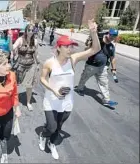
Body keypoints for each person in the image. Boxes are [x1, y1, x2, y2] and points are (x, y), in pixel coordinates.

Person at [39, 19, 101, 160]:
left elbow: (95, 49)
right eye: (67, 47)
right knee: (51, 127)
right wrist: (54, 90)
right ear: (59, 47)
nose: (70, 49)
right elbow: (42, 79)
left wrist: (93, 33)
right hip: (51, 99)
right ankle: (44, 135)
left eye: (71, 47)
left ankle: (52, 143)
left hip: (67, 101)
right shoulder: (50, 62)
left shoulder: (73, 59)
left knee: (59, 126)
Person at [75, 28, 119, 108]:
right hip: (91, 65)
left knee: (104, 83)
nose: (113, 37)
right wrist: (89, 43)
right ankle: (79, 88)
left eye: (114, 36)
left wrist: (114, 69)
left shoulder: (111, 46)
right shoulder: (98, 40)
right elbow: (87, 48)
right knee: (84, 78)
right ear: (108, 34)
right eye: (112, 35)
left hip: (102, 68)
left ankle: (106, 100)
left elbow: (113, 58)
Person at [12, 24, 39, 111]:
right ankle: (13, 101)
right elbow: (12, 48)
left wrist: (37, 64)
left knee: (29, 86)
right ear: (26, 31)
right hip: (20, 65)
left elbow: (35, 54)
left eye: (32, 30)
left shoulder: (35, 41)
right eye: (29, 30)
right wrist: (9, 38)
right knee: (16, 84)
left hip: (31, 65)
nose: (30, 32)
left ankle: (28, 102)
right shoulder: (20, 40)